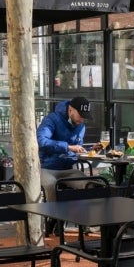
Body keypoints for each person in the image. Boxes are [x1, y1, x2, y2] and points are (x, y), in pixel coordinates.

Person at [37, 96, 101, 234]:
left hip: (69, 168)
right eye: (80, 115)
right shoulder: (51, 120)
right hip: (47, 167)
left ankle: (83, 221)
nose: (82, 120)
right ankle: (55, 218)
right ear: (70, 109)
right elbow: (41, 141)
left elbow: (77, 148)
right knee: (50, 185)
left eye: (85, 117)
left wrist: (91, 151)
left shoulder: (80, 125)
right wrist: (67, 147)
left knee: (90, 185)